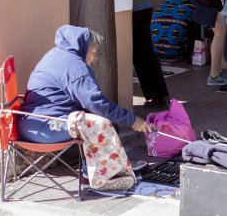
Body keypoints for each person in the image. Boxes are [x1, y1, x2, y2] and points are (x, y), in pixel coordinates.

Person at [19, 25, 152, 190]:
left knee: (88, 117)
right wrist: (132, 120)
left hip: (30, 123)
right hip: (46, 126)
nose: (94, 58)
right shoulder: (75, 66)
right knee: (97, 123)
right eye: (94, 52)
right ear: (84, 49)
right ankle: (107, 177)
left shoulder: (55, 55)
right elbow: (97, 103)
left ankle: (96, 168)